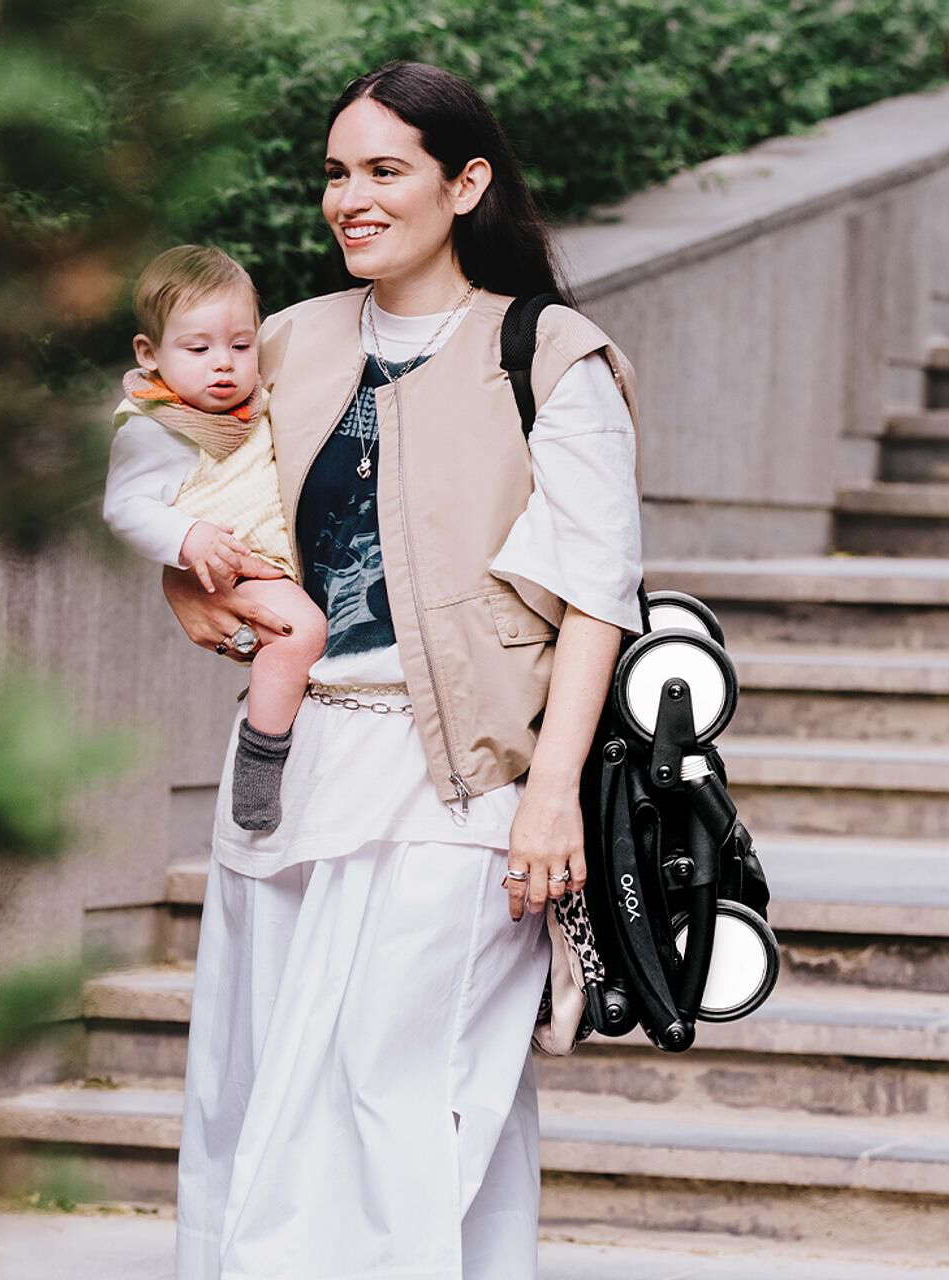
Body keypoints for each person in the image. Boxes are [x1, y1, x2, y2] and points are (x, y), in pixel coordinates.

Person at [159, 60, 643, 1280]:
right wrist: (182, 574)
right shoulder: (289, 341)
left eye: (385, 170)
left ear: (464, 183)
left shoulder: (549, 355)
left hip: (465, 776)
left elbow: (599, 597)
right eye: (336, 172)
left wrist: (550, 796)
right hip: (288, 759)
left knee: (398, 1080)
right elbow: (183, 473)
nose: (350, 198)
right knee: (252, 1080)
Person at [103, 244, 327, 831]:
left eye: (241, 345)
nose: (223, 364)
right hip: (243, 565)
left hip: (281, 555)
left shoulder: (253, 406)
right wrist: (188, 538)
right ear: (149, 355)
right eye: (198, 349)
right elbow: (124, 507)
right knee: (301, 636)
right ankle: (261, 755)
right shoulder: (154, 427)